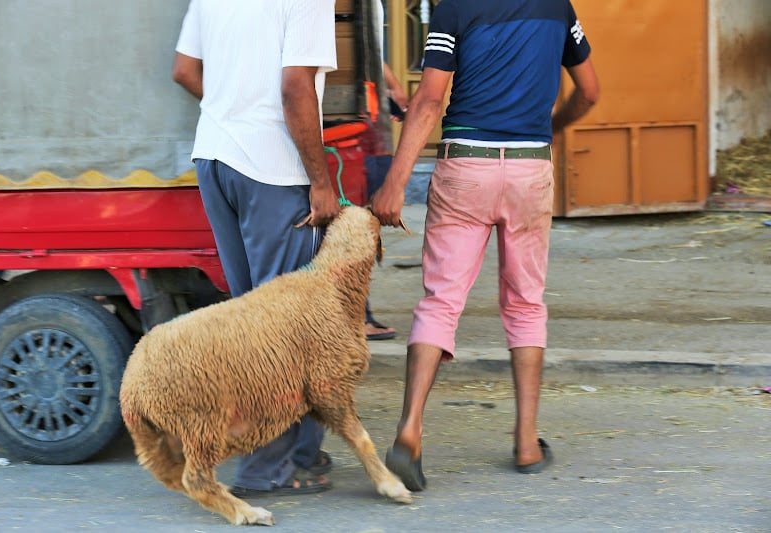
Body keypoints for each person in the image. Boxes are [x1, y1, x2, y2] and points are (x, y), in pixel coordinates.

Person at [370, 0, 599, 490]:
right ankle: (526, 442)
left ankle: (409, 430)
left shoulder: (454, 6)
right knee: (525, 302)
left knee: (441, 300)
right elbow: (590, 92)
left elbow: (430, 99)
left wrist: (396, 180)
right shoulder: (558, 7)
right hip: (529, 168)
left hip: (465, 165)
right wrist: (549, 129)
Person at [171, 1, 340, 496]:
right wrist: (320, 181)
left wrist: (232, 109)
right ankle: (265, 471)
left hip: (216, 158)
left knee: (253, 320)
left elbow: (184, 71)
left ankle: (300, 453)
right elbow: (295, 88)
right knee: (281, 333)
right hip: (272, 171)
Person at [364, 0, 410, 342]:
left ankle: (356, 312)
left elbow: (371, 50)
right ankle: (354, 314)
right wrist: (393, 86)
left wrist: (392, 87)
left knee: (366, 228)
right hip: (356, 131)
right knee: (357, 229)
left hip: (371, 128)